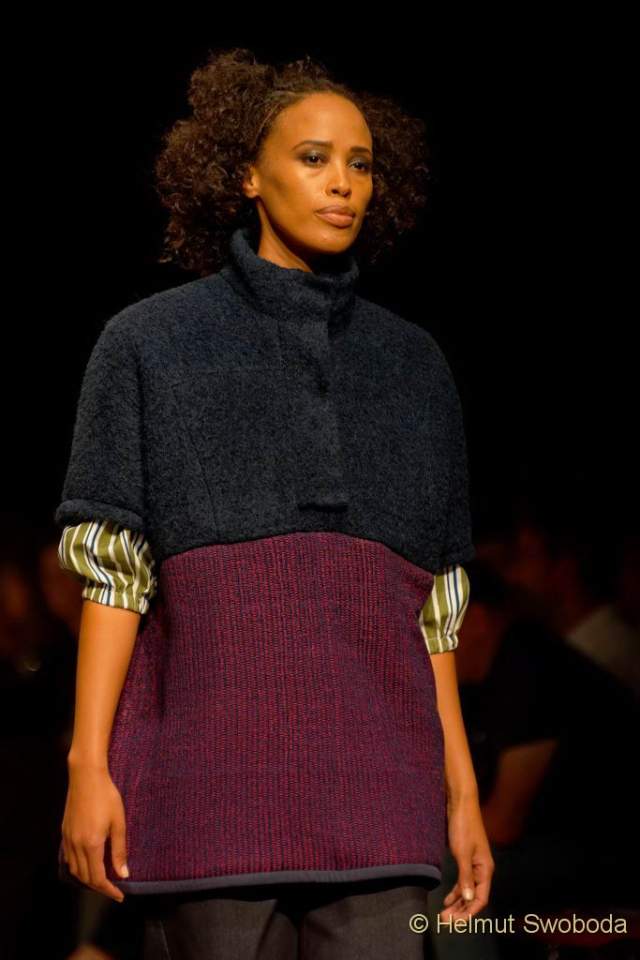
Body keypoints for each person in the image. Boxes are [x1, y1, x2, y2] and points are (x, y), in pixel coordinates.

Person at [53, 47, 493, 959]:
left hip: (383, 804)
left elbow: (433, 614)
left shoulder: (414, 368)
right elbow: (115, 579)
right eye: (314, 157)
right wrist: (88, 764)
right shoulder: (150, 344)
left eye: (360, 163)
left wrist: (461, 795)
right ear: (246, 174)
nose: (342, 184)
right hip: (204, 798)